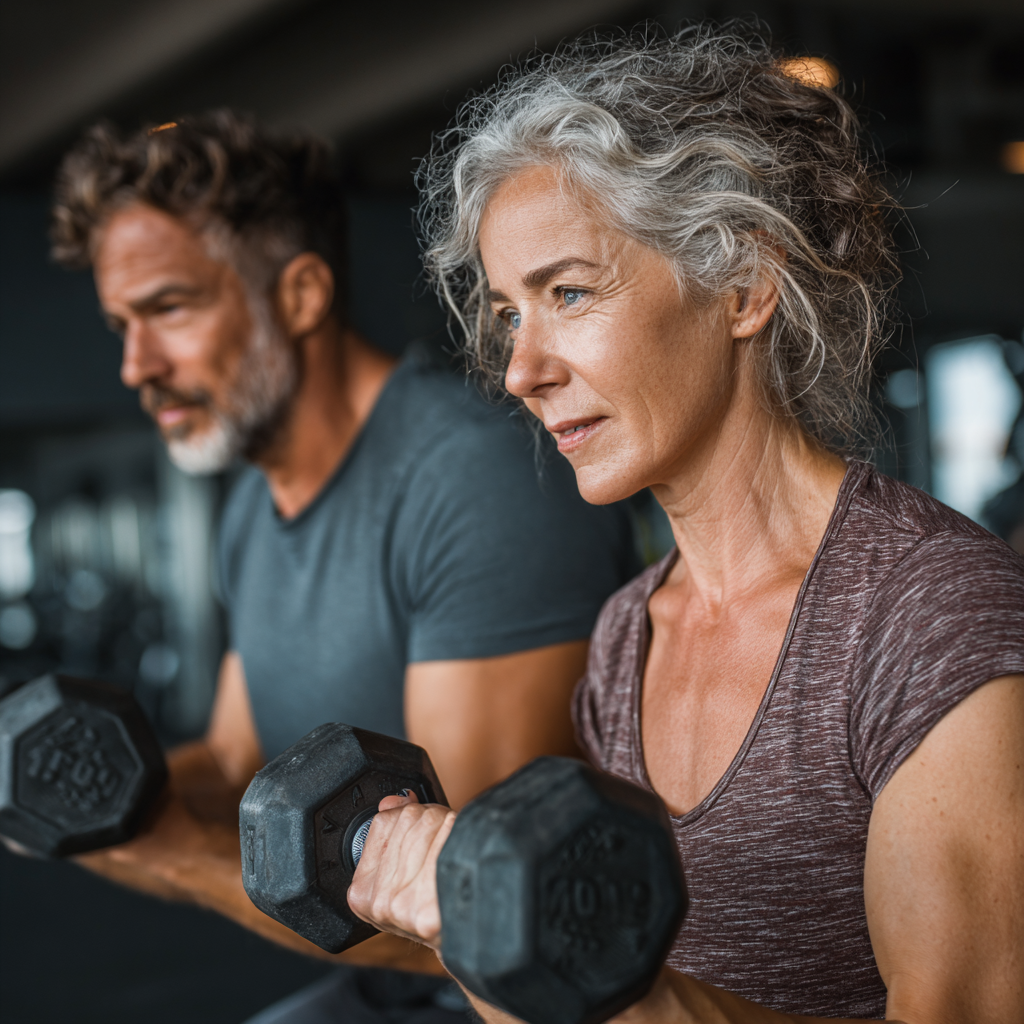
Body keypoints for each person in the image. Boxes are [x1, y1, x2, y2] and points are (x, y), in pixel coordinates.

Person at [345, 25, 1024, 1023]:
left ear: (743, 284)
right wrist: (479, 930)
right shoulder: (628, 633)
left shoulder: (926, 611)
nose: (521, 370)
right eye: (508, 317)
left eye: (566, 293)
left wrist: (613, 984)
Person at [47, 112, 641, 1022]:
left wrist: (156, 850)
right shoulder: (253, 503)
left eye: (169, 309)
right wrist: (74, 791)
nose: (136, 366)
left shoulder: (470, 479)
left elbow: (481, 920)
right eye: (121, 324)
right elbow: (235, 760)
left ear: (300, 293)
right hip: (380, 987)